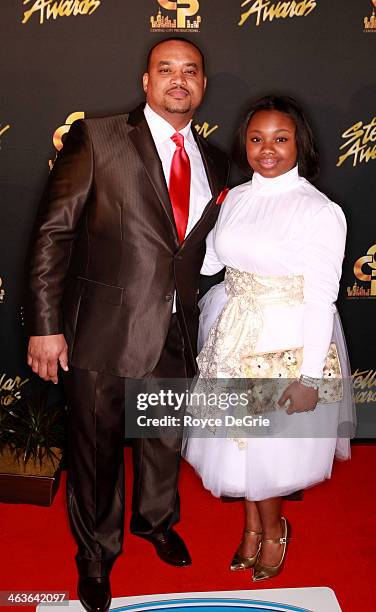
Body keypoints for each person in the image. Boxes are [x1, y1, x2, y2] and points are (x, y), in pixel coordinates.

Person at [26, 38, 229, 612]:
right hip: (101, 328)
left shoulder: (215, 160)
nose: (179, 80)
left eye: (191, 71)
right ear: (146, 81)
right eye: (166, 70)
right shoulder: (98, 137)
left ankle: (157, 522)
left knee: (164, 436)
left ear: (204, 85)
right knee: (96, 449)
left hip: (177, 328)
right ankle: (95, 555)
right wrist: (45, 325)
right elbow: (52, 236)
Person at [184, 95, 355, 582]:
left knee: (267, 447)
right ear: (245, 143)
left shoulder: (319, 211)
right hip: (233, 332)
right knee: (236, 446)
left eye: (281, 139)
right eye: (257, 139)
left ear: (299, 142)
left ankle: (273, 529)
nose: (267, 150)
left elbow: (322, 298)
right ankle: (252, 527)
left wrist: (306, 377)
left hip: (285, 340)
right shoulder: (234, 198)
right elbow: (211, 262)